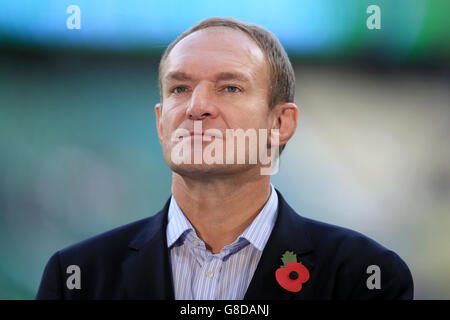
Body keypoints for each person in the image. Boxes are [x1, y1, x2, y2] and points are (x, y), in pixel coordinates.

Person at [36, 17, 413, 300]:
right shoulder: (77, 276)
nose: (197, 107)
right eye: (179, 88)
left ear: (281, 122)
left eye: (230, 87)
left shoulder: (364, 276)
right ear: (160, 122)